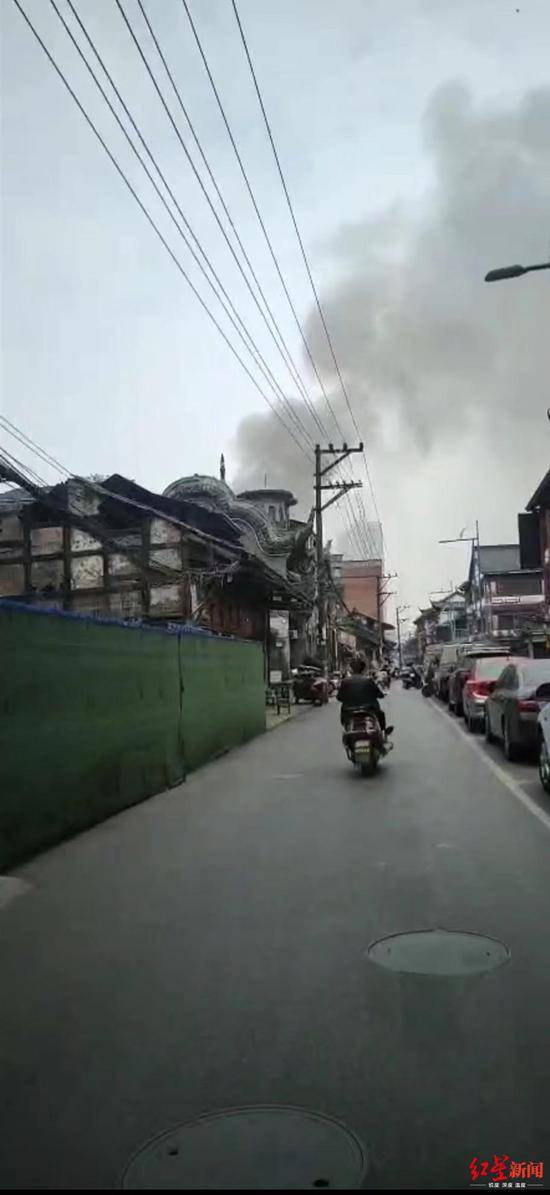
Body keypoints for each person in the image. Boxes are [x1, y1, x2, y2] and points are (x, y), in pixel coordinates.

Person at [337, 655, 393, 735]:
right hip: (369, 709)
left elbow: (339, 697)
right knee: (381, 714)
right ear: (363, 669)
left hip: (349, 711)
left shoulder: (345, 682)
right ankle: (383, 732)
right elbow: (379, 694)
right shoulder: (368, 680)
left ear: (351, 669)